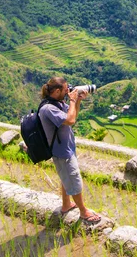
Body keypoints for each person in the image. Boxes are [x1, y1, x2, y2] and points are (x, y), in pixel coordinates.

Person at [39, 77, 100, 222]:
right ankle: (84, 212)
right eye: (66, 89)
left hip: (67, 147)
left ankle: (66, 204)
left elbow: (73, 116)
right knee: (74, 181)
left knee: (66, 177)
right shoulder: (49, 108)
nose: (68, 91)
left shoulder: (57, 103)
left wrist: (77, 100)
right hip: (61, 152)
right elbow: (70, 120)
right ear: (57, 91)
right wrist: (72, 101)